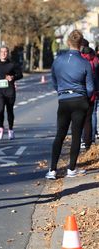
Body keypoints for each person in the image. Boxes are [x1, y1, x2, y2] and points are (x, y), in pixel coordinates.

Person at [46, 30, 94, 180]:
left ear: (68, 42)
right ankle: (71, 168)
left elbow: (53, 81)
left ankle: (52, 170)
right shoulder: (85, 63)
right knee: (76, 135)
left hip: (64, 100)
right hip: (80, 100)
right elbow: (91, 87)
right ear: (81, 44)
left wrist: (61, 92)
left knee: (60, 134)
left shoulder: (58, 60)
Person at [0, 45, 23, 140]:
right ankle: (1, 127)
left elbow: (20, 75)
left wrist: (13, 77)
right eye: (2, 52)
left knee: (9, 111)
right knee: (0, 110)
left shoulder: (12, 64)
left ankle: (11, 129)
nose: (4, 53)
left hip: (10, 91)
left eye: (5, 52)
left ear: (8, 53)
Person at [80, 43, 99, 149]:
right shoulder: (95, 61)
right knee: (91, 116)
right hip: (93, 92)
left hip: (82, 93)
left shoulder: (81, 62)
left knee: (81, 117)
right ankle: (91, 138)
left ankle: (83, 139)